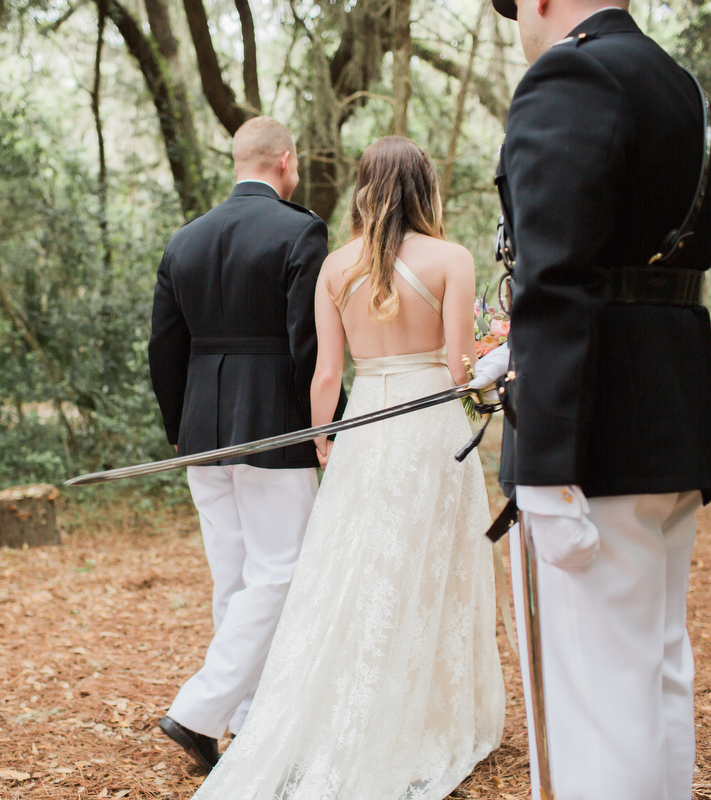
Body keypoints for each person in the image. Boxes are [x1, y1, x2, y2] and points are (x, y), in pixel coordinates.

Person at [189, 137, 504, 800]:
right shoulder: (451, 259)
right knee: (430, 572)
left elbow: (328, 372)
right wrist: (494, 368)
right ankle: (422, 719)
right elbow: (456, 371)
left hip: (364, 427)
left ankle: (335, 711)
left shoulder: (337, 267)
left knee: (354, 571)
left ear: (364, 188)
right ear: (426, 190)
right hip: (428, 431)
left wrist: (324, 438)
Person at [486, 0, 711, 796]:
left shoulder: (572, 71)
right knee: (656, 673)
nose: (520, 21)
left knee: (598, 698)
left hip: (598, 435)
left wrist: (546, 466)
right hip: (673, 409)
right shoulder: (686, 91)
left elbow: (554, 279)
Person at [148, 116, 346, 771]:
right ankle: (202, 711)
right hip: (274, 425)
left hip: (201, 428)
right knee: (280, 571)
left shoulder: (186, 239)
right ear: (284, 161)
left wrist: (185, 431)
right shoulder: (301, 230)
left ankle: (247, 717)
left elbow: (164, 349)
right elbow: (306, 343)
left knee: (234, 575)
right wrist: (323, 425)